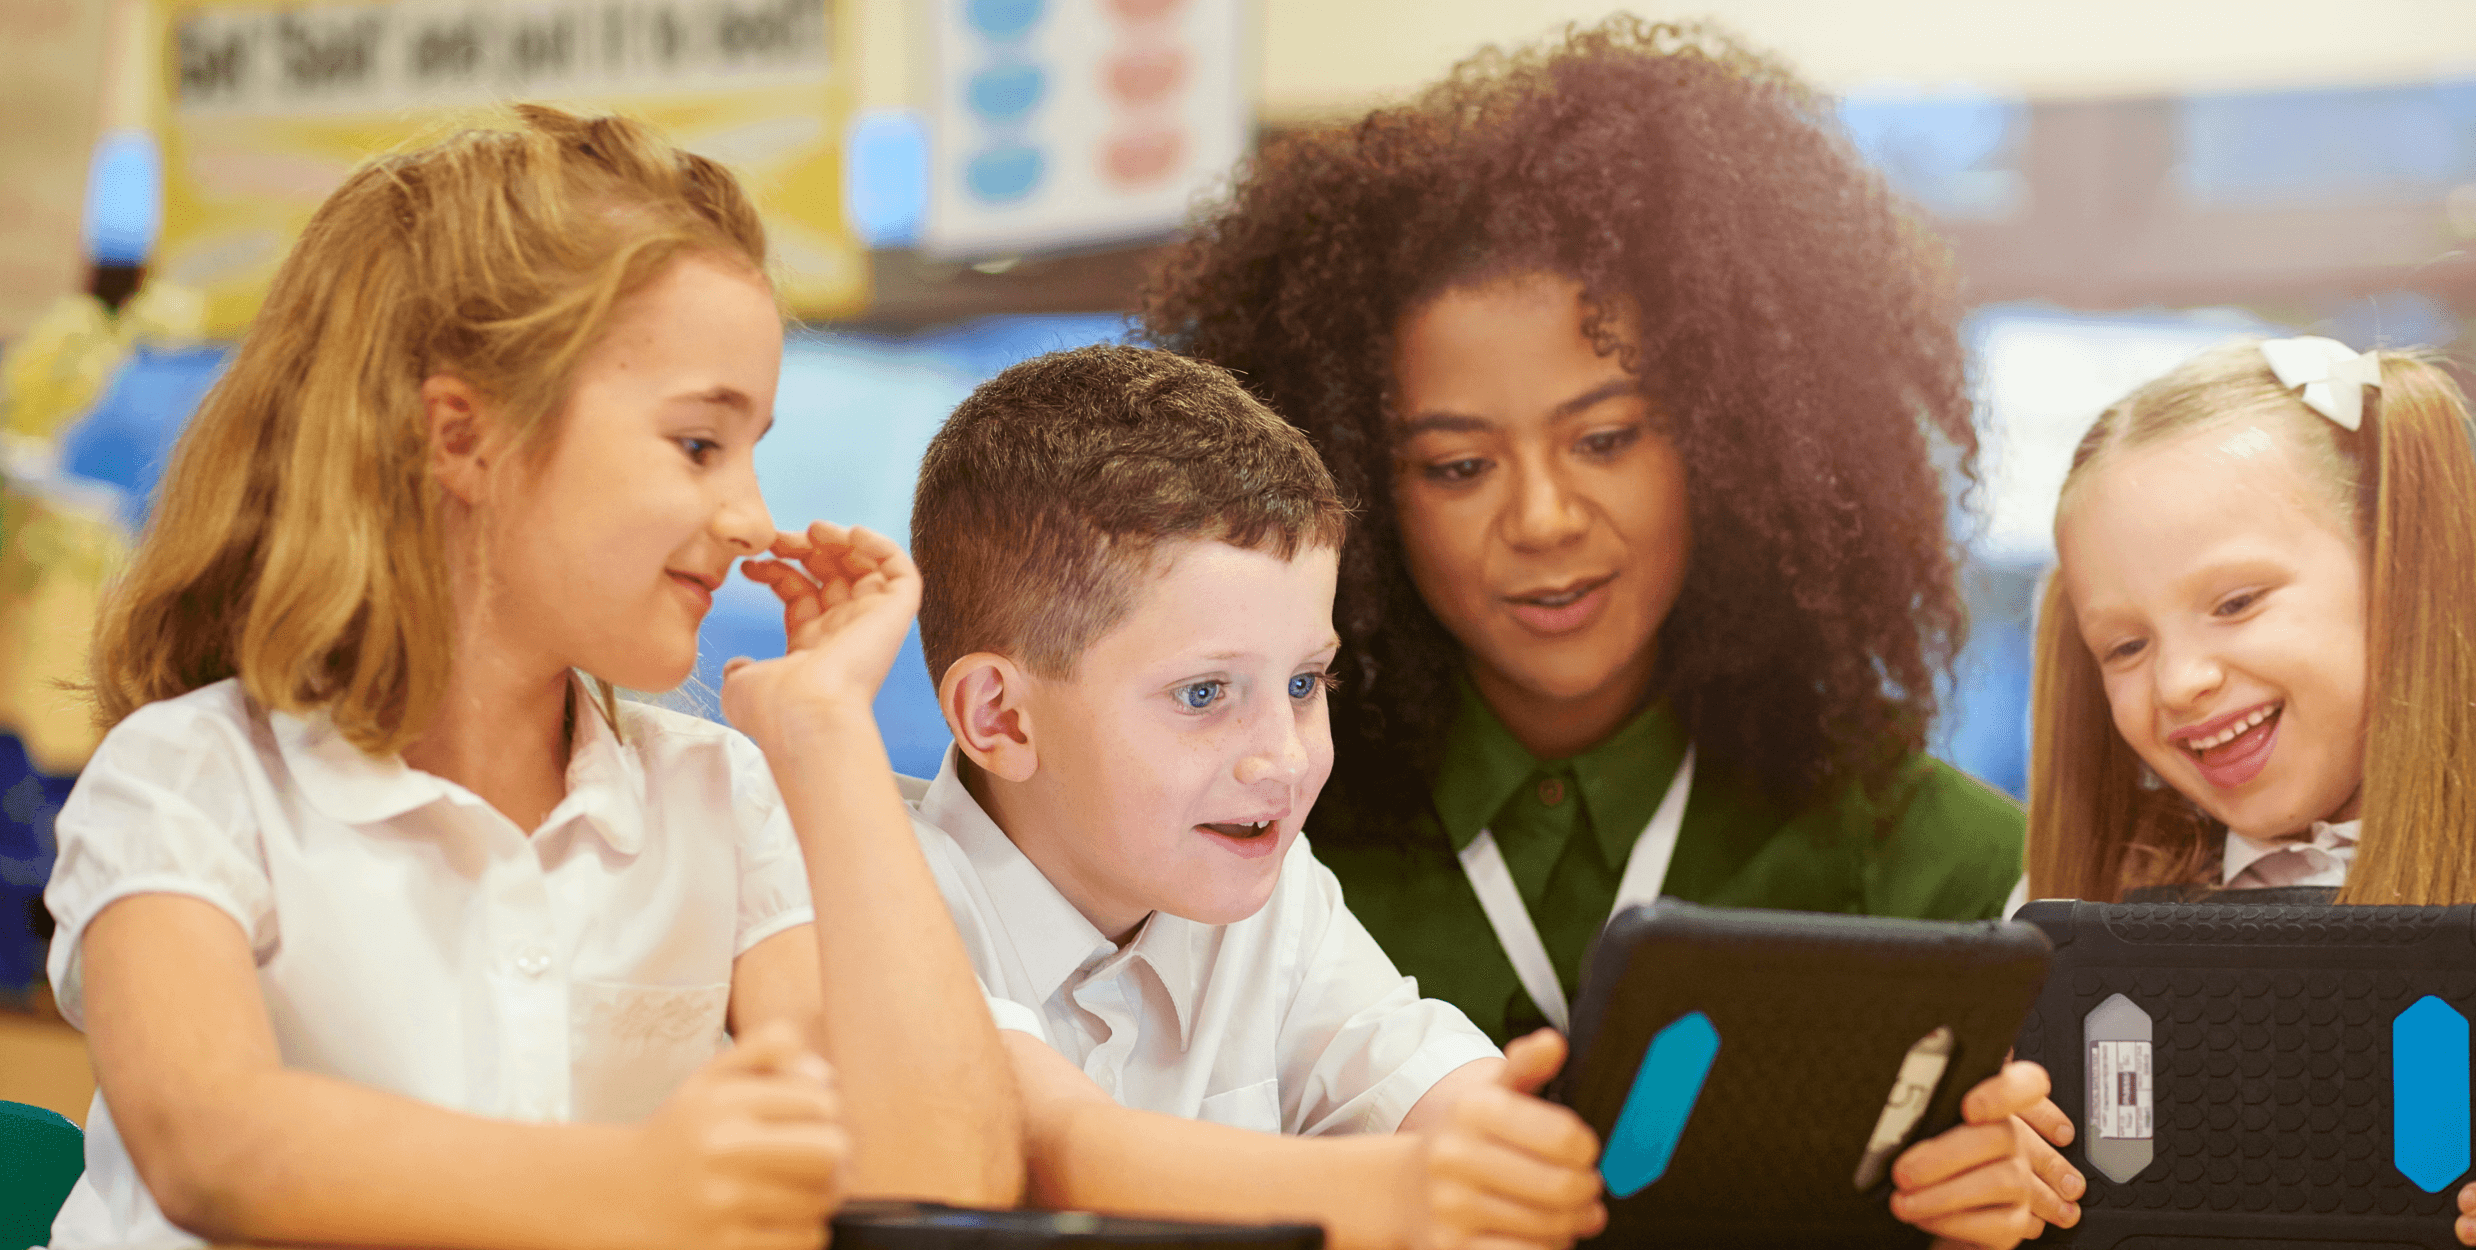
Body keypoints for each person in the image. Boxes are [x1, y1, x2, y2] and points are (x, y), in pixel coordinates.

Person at [1141, 20, 2078, 1244]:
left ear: (1736, 443)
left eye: (1605, 439)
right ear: (1353, 491)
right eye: (1459, 463)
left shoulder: (1945, 874)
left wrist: (2006, 1210)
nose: (1541, 517)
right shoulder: (1246, 855)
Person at [42, 106, 1018, 1250]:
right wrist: (638, 1184)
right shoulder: (186, 778)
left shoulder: (720, 795)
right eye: (699, 442)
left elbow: (944, 1170)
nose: (751, 516)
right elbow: (216, 1146)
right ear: (462, 438)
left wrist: (828, 726)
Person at [901, 344, 2070, 1250]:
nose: (1283, 755)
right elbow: (1057, 1152)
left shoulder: (1270, 891)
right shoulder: (879, 903)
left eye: (1305, 681)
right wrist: (1415, 1190)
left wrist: (1905, 1166)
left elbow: (1441, 1097)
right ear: (999, 717)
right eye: (1204, 692)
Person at [2025, 336, 2476, 907]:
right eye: (2126, 647)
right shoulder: (2091, 894)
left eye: (2236, 604)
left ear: (2395, 568)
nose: (2179, 683)